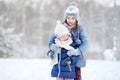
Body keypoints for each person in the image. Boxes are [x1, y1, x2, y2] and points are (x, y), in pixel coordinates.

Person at [48, 2, 88, 80]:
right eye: (68, 18)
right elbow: (52, 38)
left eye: (73, 18)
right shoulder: (62, 27)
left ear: (76, 19)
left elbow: (85, 42)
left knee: (77, 75)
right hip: (63, 56)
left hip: (75, 56)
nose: (70, 20)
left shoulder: (80, 29)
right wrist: (52, 46)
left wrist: (78, 51)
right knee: (61, 74)